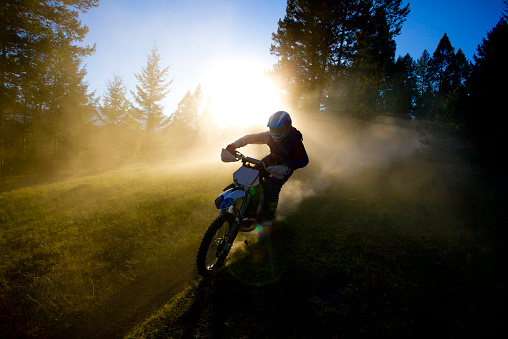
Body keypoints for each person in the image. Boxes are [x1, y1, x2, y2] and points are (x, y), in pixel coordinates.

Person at [225, 111, 309, 226]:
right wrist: (233, 146)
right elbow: (249, 138)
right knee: (250, 176)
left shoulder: (294, 140)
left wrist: (286, 167)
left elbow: (304, 160)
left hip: (286, 165)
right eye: (272, 129)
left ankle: (269, 215)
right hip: (271, 159)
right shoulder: (268, 135)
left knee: (272, 185)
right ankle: (246, 209)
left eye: (278, 129)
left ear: (287, 127)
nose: (274, 133)